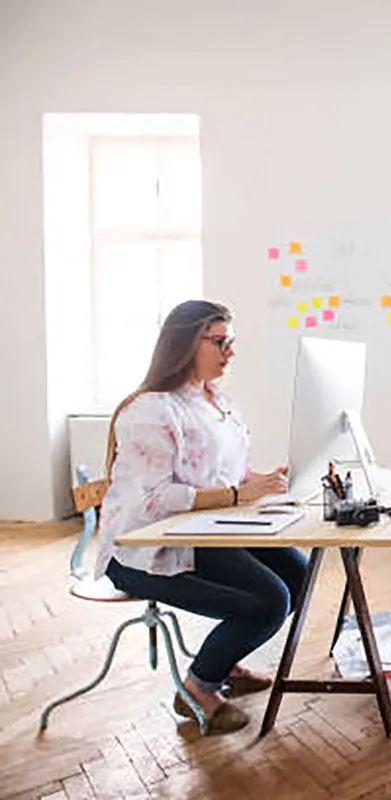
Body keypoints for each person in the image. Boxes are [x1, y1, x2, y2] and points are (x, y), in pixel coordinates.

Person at [96, 300, 307, 734]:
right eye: (220, 341)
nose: (230, 351)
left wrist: (261, 481)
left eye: (232, 341)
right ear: (186, 342)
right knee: (269, 602)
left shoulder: (216, 401)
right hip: (145, 548)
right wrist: (236, 493)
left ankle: (225, 662)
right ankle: (198, 687)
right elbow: (153, 500)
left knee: (301, 577)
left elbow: (224, 473)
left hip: (203, 528)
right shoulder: (150, 410)